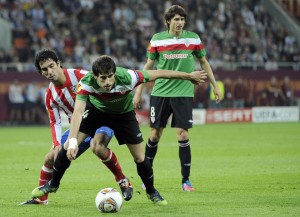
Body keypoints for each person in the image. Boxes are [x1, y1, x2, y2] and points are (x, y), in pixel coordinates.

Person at [31, 55, 207, 206]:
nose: (107, 82)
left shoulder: (129, 77)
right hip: (96, 113)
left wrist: (188, 76)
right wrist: (73, 142)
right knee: (67, 145)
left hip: (124, 116)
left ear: (115, 73)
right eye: (102, 78)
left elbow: (160, 73)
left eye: (110, 77)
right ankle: (53, 184)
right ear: (95, 76)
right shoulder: (86, 83)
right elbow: (78, 112)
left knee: (140, 157)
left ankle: (151, 191)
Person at [20, 49, 132, 205]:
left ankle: (122, 180)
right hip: (78, 129)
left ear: (58, 63)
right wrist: (57, 145)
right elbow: (55, 122)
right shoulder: (50, 95)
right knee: (50, 157)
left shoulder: (81, 76)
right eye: (44, 69)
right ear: (41, 72)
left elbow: (104, 82)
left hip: (103, 119)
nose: (49, 71)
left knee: (97, 146)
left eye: (52, 66)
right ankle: (41, 200)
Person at [133, 5, 222, 192]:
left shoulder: (193, 38)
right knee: (154, 135)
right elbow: (147, 68)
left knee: (183, 134)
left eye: (182, 19)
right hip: (160, 93)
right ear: (168, 21)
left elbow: (204, 62)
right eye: (176, 19)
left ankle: (186, 181)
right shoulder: (157, 40)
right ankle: (146, 177)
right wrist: (138, 92)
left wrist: (214, 85)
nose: (180, 23)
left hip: (183, 93)